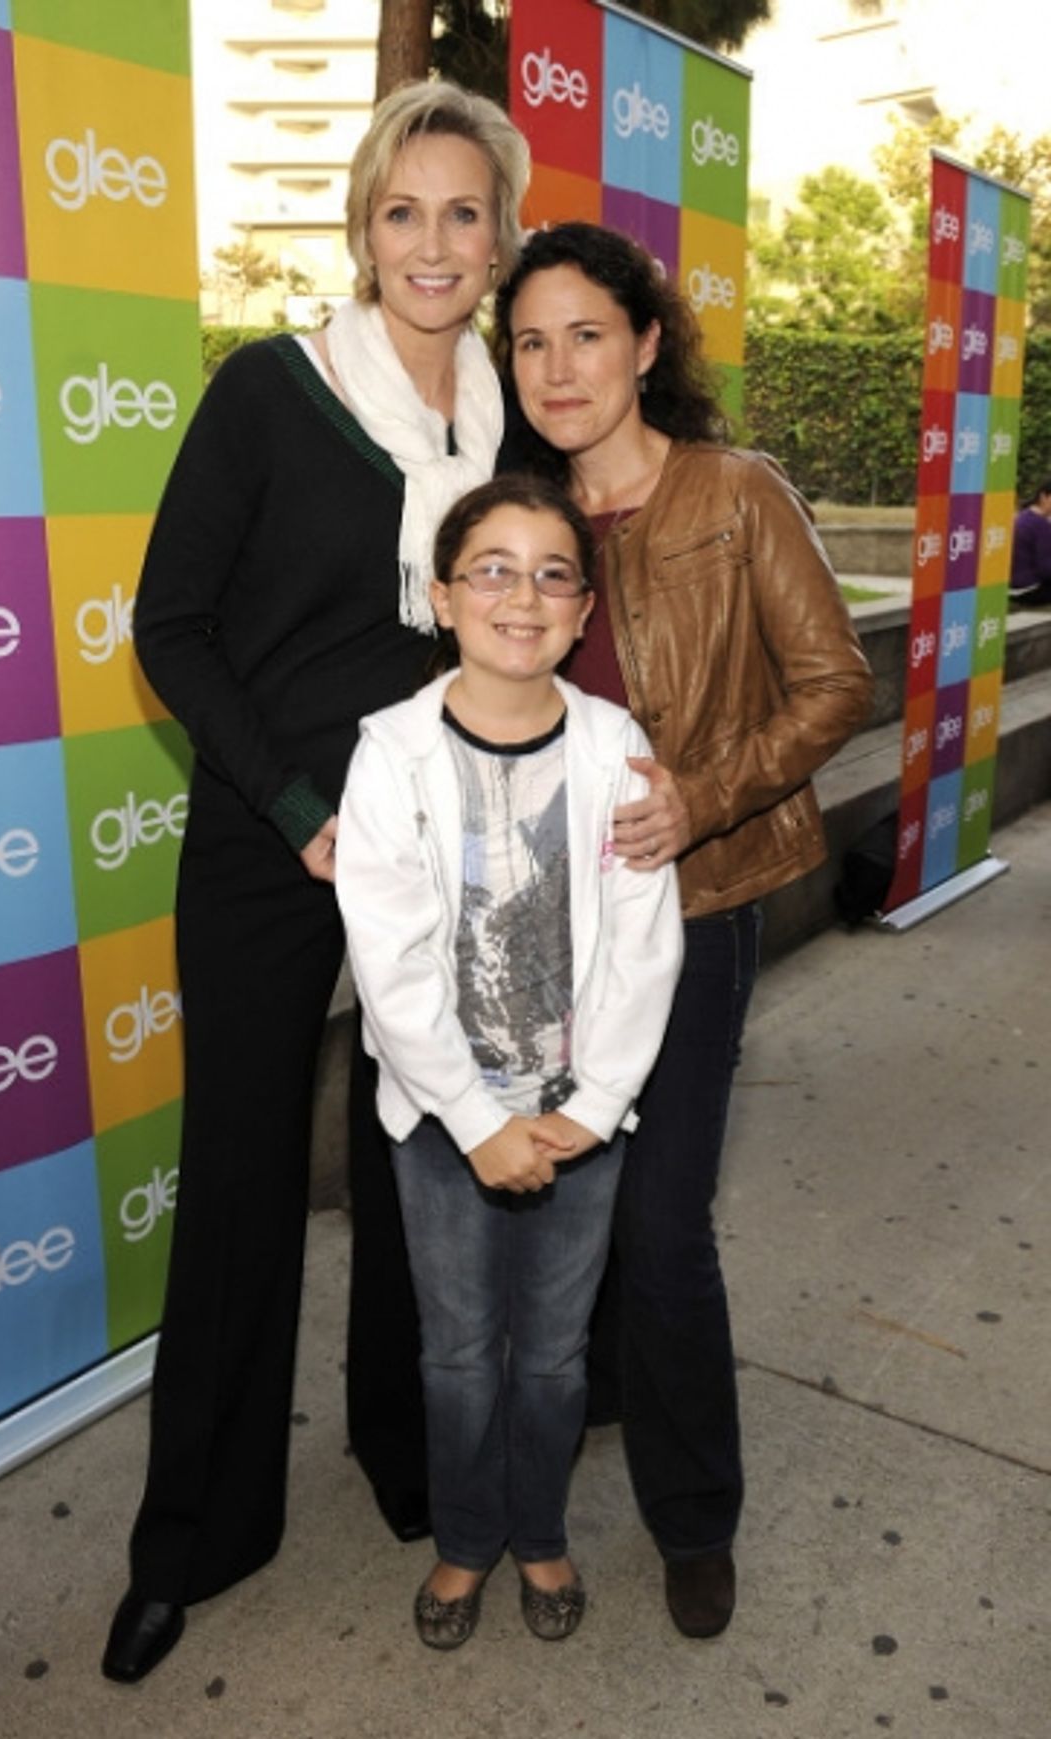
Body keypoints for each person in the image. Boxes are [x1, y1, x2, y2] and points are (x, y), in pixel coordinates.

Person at [100, 82, 531, 1685]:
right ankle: (190, 1538)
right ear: (364, 225)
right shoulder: (271, 392)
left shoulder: (509, 420)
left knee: (417, 1167)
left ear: (499, 235)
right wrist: (293, 806)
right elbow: (172, 626)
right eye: (403, 210)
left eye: (463, 211)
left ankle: (401, 1451)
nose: (433, 241)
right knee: (239, 1189)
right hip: (272, 842)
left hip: (443, 852)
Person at [494, 222, 874, 1641]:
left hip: (696, 905)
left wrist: (699, 797)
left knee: (661, 1225)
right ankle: (586, 1398)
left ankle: (693, 1513)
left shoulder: (733, 494)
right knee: (562, 1204)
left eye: (588, 332)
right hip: (540, 930)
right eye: (531, 340)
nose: (559, 365)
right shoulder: (515, 514)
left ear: (647, 344)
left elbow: (834, 682)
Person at [335, 475, 684, 1649]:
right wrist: (476, 1119)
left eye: (551, 573)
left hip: (579, 1122)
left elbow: (645, 938)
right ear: (441, 596)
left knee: (550, 1353)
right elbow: (390, 957)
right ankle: (465, 1536)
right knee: (455, 1351)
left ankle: (539, 1528)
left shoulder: (616, 743)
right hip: (443, 1125)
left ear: (584, 611)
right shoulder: (388, 751)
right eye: (491, 568)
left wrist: (590, 1106)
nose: (520, 597)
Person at [1009, 478, 1051, 606]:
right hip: (1029, 590)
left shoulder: (1024, 517)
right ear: (1043, 497)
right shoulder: (1041, 524)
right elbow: (1046, 569)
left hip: (1012, 587)